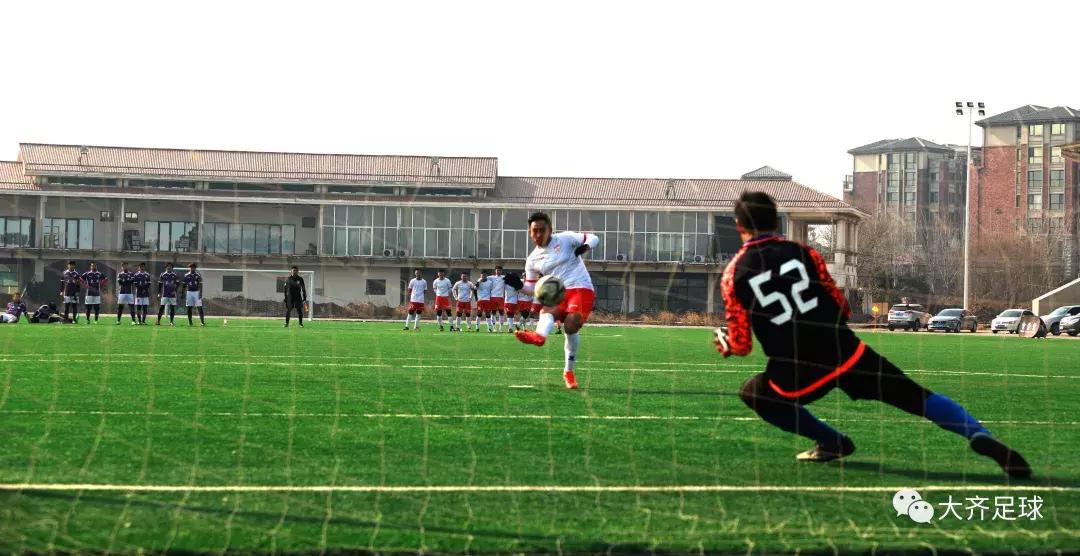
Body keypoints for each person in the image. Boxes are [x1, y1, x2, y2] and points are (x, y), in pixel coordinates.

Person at [715, 191, 1030, 477]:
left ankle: (831, 441)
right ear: (775, 219)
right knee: (916, 396)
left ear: (739, 224)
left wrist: (728, 342)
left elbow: (742, 345)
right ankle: (978, 434)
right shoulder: (805, 253)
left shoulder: (733, 274)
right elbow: (841, 306)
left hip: (796, 369)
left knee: (753, 392)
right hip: (847, 352)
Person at [509, 212, 600, 390]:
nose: (538, 234)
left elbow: (593, 237)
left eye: (543, 230)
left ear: (550, 230)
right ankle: (539, 336)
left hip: (580, 288)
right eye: (535, 231)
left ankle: (568, 371)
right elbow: (532, 289)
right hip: (557, 292)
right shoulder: (532, 260)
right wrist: (518, 285)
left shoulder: (565, 239)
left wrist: (585, 247)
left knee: (571, 324)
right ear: (529, 232)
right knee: (547, 311)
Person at [489, 266, 507, 332]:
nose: (498, 271)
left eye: (500, 270)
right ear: (495, 271)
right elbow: (482, 278)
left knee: (501, 313)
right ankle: (494, 327)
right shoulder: (491, 277)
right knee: (493, 312)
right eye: (497, 270)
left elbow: (512, 279)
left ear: (501, 271)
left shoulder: (504, 277)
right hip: (493, 297)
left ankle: (501, 328)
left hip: (500, 298)